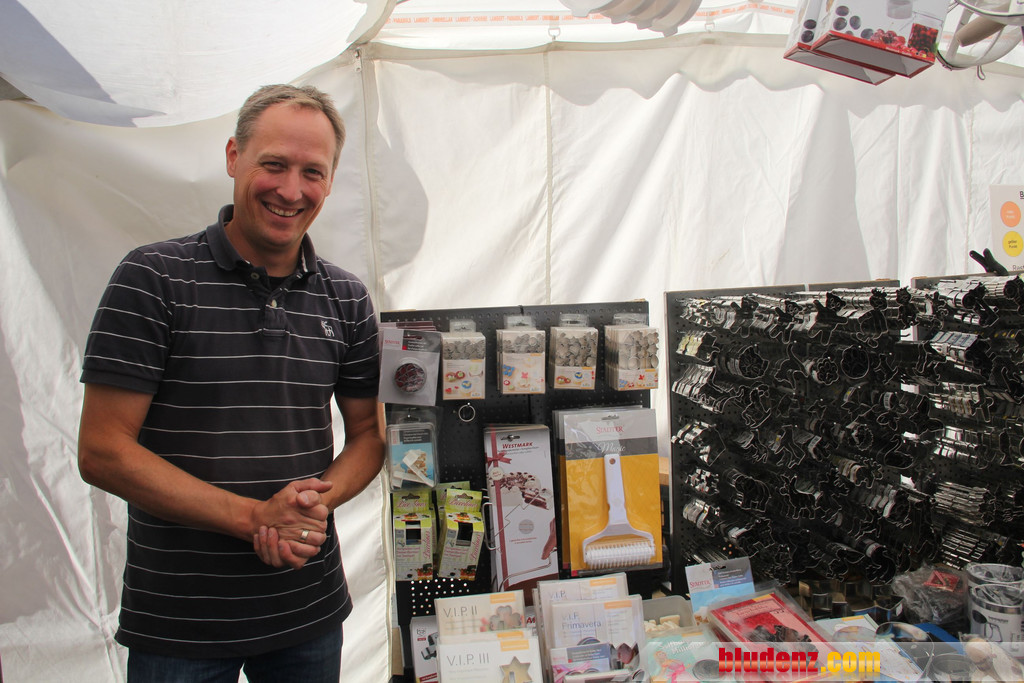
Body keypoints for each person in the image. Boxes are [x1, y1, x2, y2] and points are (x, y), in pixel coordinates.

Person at [77, 84, 385, 682]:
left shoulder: (346, 297)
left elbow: (369, 436)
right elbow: (102, 451)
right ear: (233, 157)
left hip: (308, 608)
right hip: (181, 622)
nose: (291, 190)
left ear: (330, 181)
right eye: (274, 164)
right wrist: (255, 519)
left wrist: (312, 505)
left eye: (312, 172)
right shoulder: (153, 278)